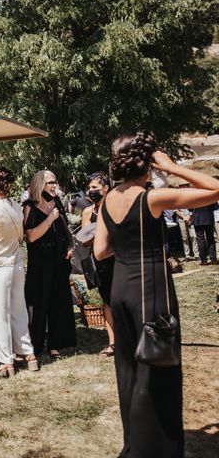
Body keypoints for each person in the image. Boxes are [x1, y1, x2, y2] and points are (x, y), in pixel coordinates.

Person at [94, 131, 219, 457]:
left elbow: (101, 250)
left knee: (129, 367)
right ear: (146, 161)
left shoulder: (107, 199)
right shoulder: (151, 198)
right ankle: (156, 449)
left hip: (120, 288)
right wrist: (173, 166)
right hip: (150, 289)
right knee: (158, 365)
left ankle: (134, 442)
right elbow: (215, 189)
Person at [0, 168, 38, 377]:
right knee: (18, 309)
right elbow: (20, 237)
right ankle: (29, 354)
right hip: (17, 265)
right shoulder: (16, 208)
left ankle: (6, 361)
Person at [23, 170, 76, 359]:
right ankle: (34, 346)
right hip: (40, 264)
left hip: (59, 261)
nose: (54, 185)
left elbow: (64, 229)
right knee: (38, 304)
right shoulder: (30, 206)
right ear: (40, 185)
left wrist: (69, 247)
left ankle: (55, 345)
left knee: (58, 302)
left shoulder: (57, 204)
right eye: (50, 182)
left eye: (55, 182)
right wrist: (49, 219)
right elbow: (30, 236)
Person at [81, 172, 115, 357]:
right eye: (90, 188)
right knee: (107, 301)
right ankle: (112, 342)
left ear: (105, 189)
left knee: (122, 299)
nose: (91, 191)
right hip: (99, 261)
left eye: (95, 187)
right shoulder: (88, 211)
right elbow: (85, 240)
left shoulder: (114, 206)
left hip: (118, 258)